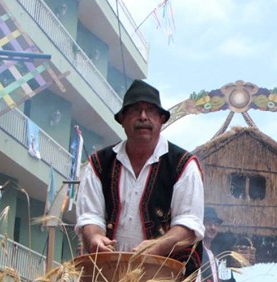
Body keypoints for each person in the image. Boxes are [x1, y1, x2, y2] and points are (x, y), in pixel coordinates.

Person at [75, 79, 204, 271]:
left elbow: (188, 226)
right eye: (136, 110)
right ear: (123, 119)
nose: (143, 117)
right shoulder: (99, 164)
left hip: (164, 280)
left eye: (150, 111)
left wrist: (157, 247)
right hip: (108, 276)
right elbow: (90, 217)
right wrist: (94, 237)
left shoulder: (183, 165)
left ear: (161, 120)